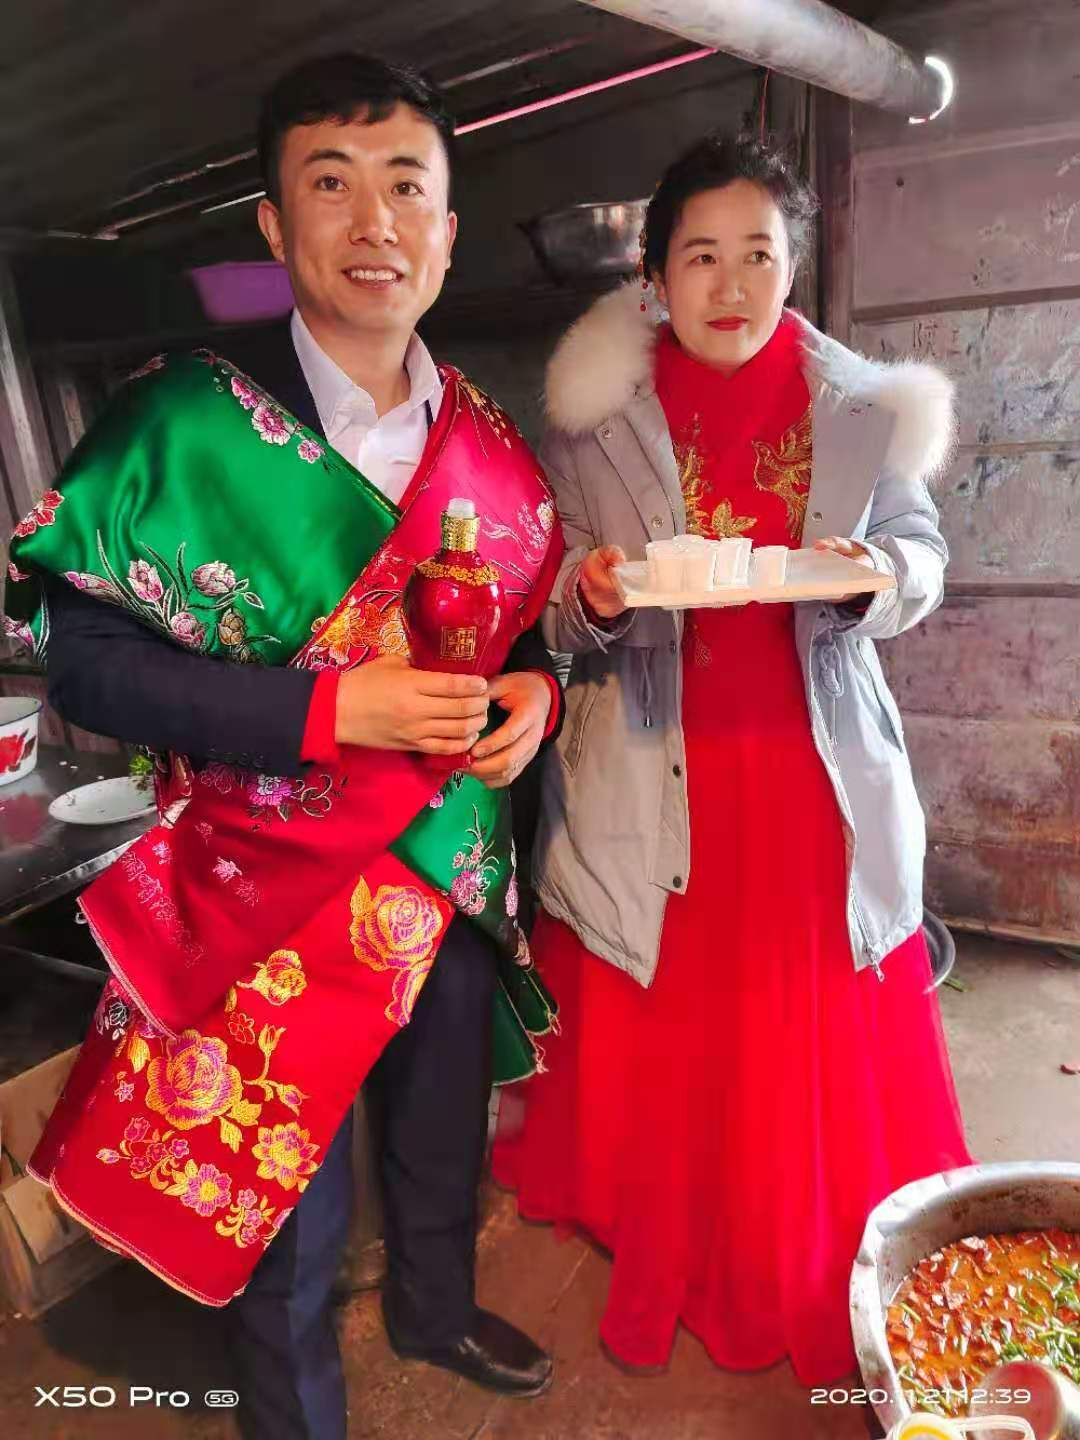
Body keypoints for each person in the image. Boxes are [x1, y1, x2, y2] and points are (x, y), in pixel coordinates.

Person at [5, 54, 563, 1440]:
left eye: (407, 188)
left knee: (440, 1134)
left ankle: (435, 1311)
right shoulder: (178, 424)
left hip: (448, 870)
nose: (376, 222)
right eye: (332, 183)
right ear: (273, 222)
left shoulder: (493, 446)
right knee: (285, 1201)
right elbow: (88, 667)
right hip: (268, 886)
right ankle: (292, 1416)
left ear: (447, 227)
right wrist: (329, 713)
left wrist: (534, 700)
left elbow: (524, 639)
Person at [493, 133, 972, 1385]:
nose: (732, 283)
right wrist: (590, 594)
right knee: (674, 1004)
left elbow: (923, 552)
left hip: (810, 765)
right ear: (656, 278)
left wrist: (878, 578)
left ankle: (793, 1225)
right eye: (701, 256)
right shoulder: (592, 417)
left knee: (793, 1009)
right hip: (652, 754)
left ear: (792, 268)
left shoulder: (863, 407)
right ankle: (673, 1217)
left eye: (759, 254)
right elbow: (553, 595)